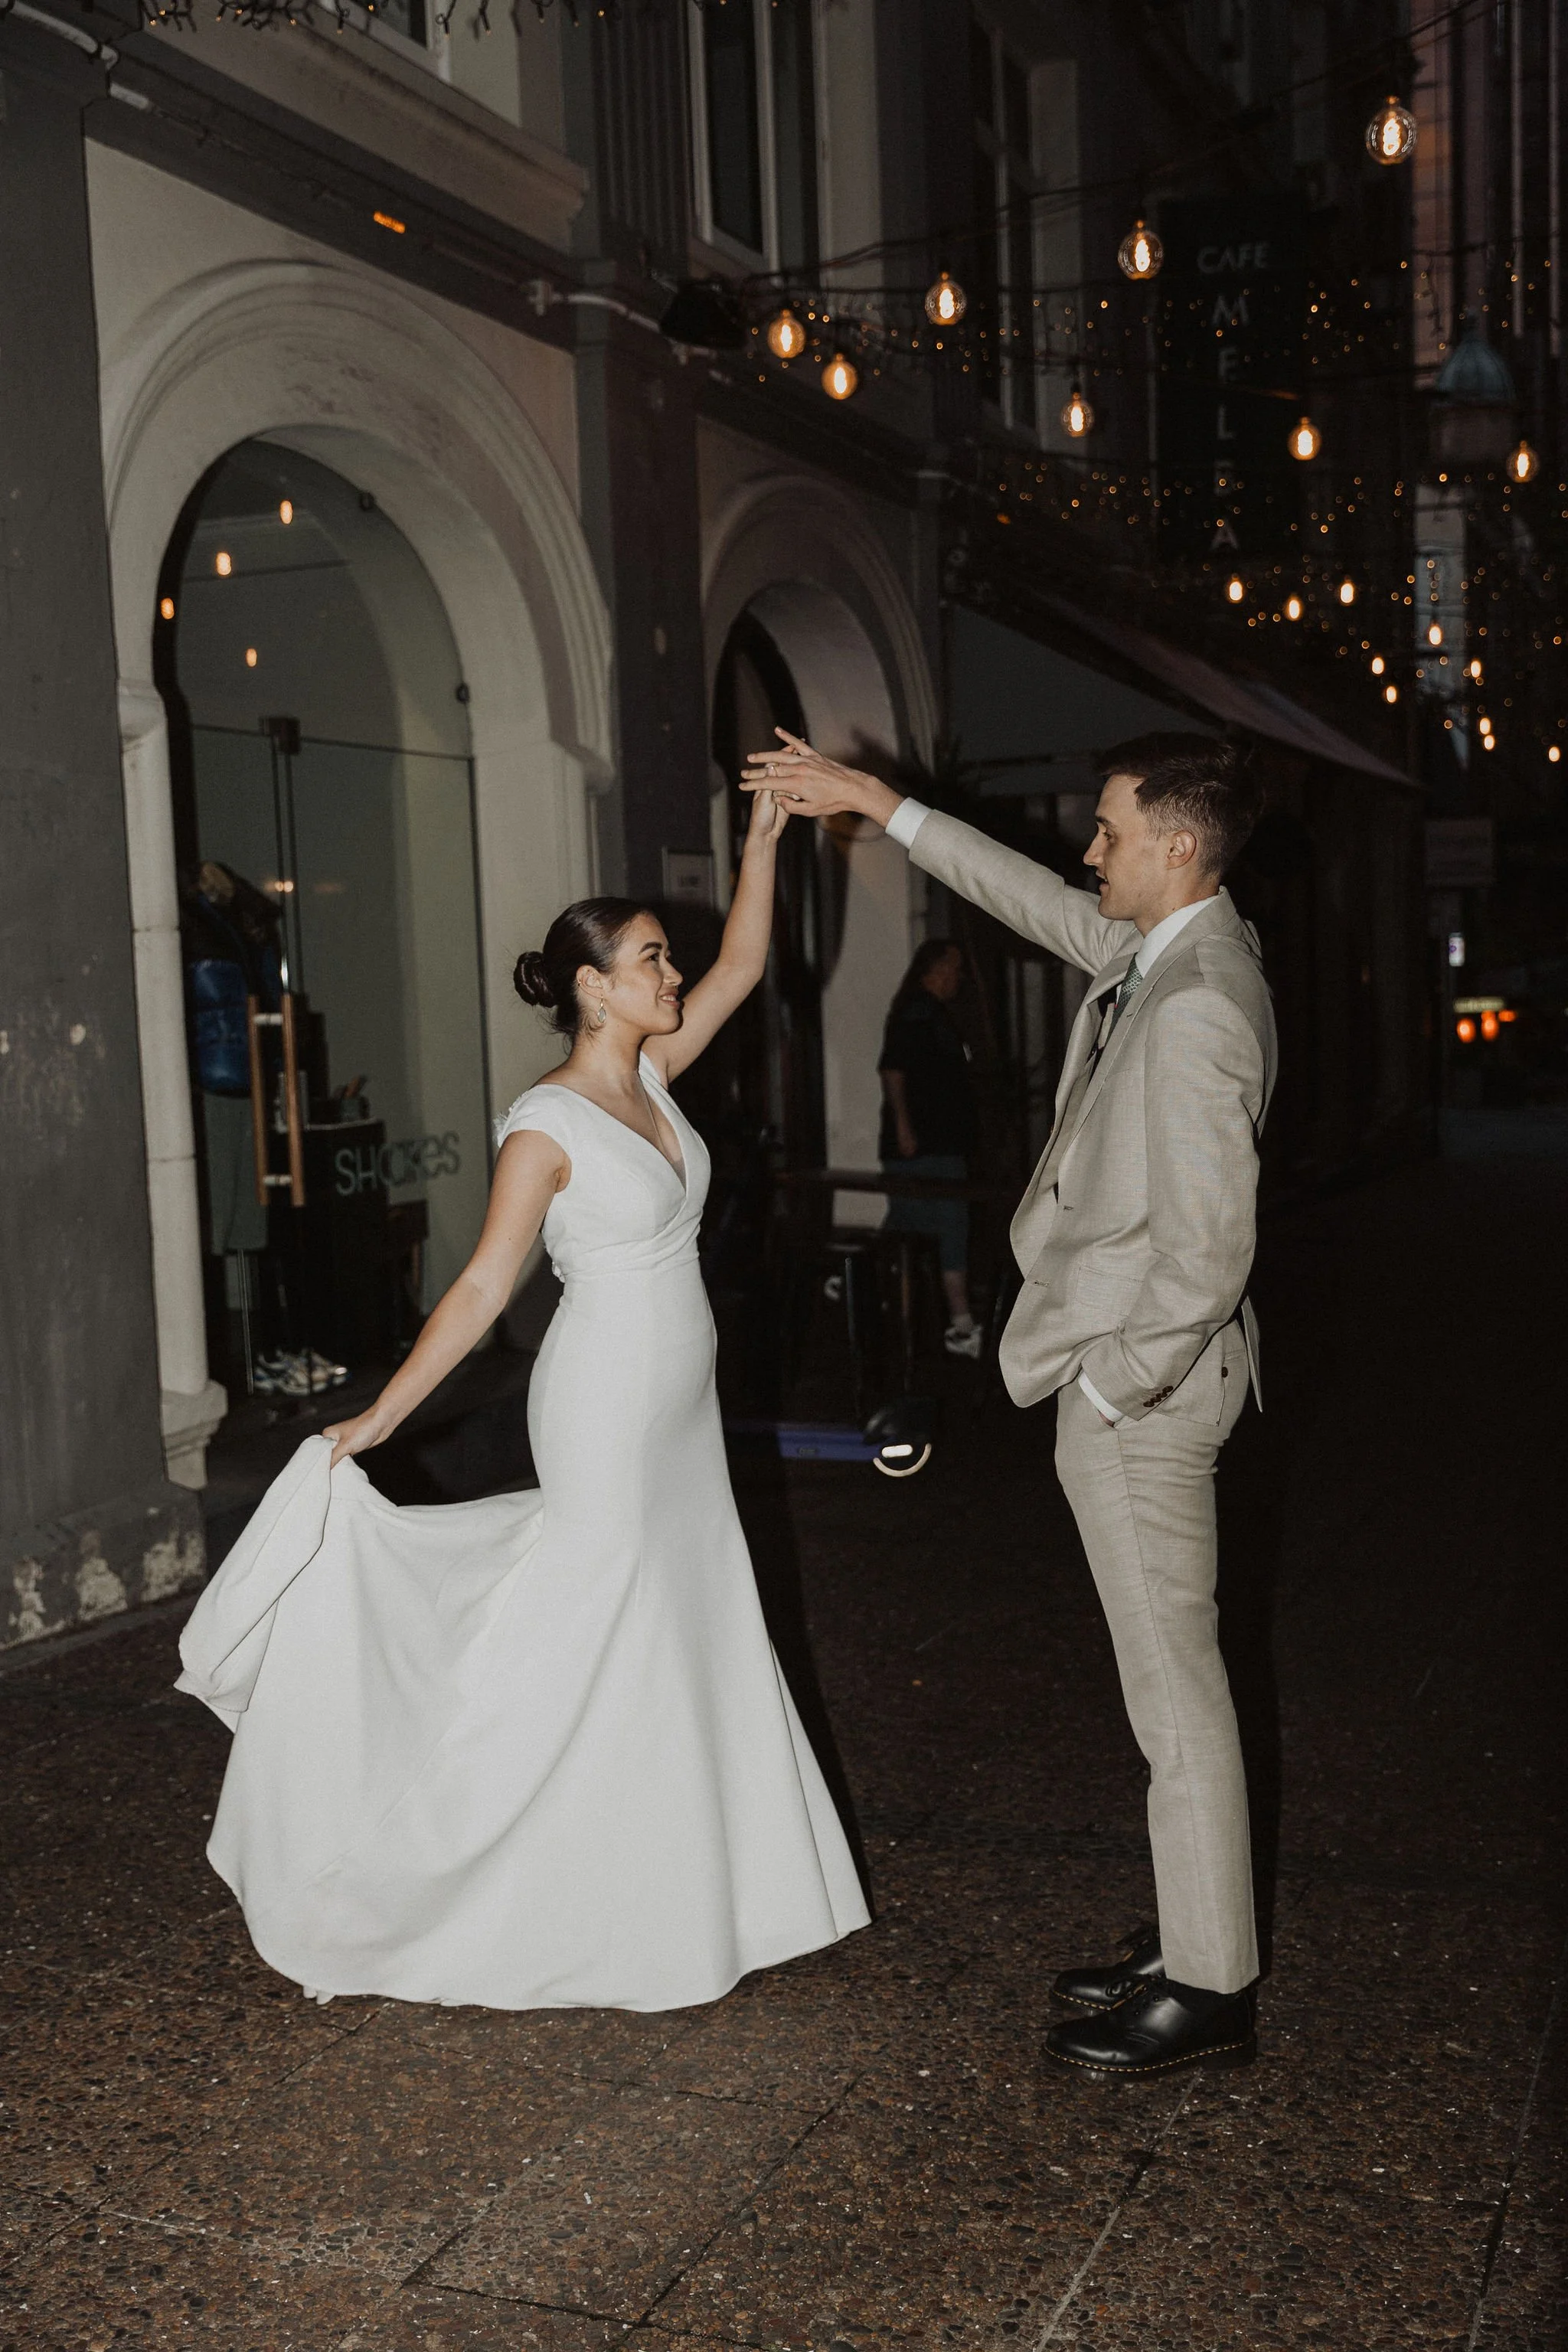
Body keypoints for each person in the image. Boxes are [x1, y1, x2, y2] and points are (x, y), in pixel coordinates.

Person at [175, 785, 868, 2011]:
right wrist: (380, 1418)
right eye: (652, 960)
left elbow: (748, 963)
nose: (673, 975)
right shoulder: (546, 1126)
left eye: (668, 960)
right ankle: (450, 1862)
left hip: (679, 1408)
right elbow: (486, 1285)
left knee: (681, 1618)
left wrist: (766, 840)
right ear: (594, 987)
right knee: (598, 1620)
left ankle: (684, 1892)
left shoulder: (654, 1075)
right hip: (604, 1403)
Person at [743, 727, 1274, 2079]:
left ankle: (1208, 1989)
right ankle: (1192, 1935)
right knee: (1168, 1688)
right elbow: (1028, 897)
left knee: (1174, 1697)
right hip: (1137, 1379)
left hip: (1144, 1394)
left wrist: (1111, 1382)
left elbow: (1210, 1251)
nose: (1086, 853)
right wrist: (883, 805)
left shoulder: (1198, 999)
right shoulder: (1164, 953)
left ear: (1175, 845)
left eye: (1108, 832)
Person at [877, 939, 982, 1357]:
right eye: (955, 967)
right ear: (937, 969)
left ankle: (881, 1305)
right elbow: (893, 1070)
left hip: (938, 1144)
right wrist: (904, 1128)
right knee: (948, 1227)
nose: (960, 977)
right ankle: (960, 1323)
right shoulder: (917, 1013)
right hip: (926, 1147)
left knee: (909, 1222)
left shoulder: (933, 1013)